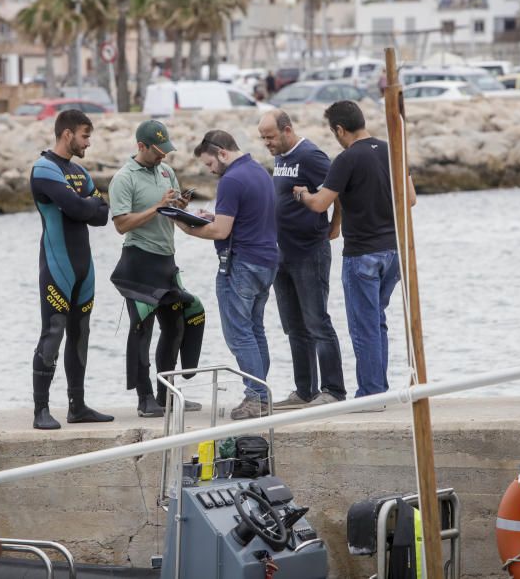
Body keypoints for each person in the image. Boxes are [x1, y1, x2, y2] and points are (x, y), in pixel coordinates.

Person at [294, 100, 416, 401]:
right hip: (393, 252)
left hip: (362, 253)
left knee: (364, 328)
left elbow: (321, 203)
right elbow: (410, 199)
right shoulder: (392, 150)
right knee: (377, 322)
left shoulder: (347, 159)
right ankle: (379, 389)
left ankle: (371, 393)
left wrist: (303, 195)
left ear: (339, 129)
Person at [169, 130, 278, 420]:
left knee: (239, 335)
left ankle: (256, 398)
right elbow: (246, 218)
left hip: (240, 264)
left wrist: (183, 224)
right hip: (267, 262)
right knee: (255, 331)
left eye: (209, 164)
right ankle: (262, 394)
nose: (210, 170)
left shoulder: (231, 180)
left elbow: (221, 232)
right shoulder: (260, 172)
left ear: (222, 153)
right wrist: (211, 217)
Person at [108, 120, 206, 418]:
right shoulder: (124, 179)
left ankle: (167, 395)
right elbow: (121, 224)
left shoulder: (166, 172)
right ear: (141, 146)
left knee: (176, 327)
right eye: (157, 151)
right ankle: (144, 398)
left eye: (166, 150)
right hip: (139, 262)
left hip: (166, 262)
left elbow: (173, 215)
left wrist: (183, 208)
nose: (163, 156)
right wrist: (157, 207)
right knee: (142, 331)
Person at [29, 109, 113, 429]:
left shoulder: (78, 172)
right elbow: (81, 207)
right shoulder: (44, 168)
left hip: (84, 268)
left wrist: (83, 205)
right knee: (54, 333)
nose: (88, 143)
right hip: (57, 265)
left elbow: (101, 215)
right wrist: (84, 204)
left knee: (81, 334)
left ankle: (77, 406)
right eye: (85, 135)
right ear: (67, 134)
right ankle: (41, 410)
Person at [257, 110, 347, 409]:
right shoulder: (281, 158)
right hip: (282, 253)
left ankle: (333, 389)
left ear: (287, 130)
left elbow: (338, 192)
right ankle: (304, 390)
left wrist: (334, 228)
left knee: (317, 322)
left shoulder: (310, 155)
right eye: (263, 138)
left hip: (310, 252)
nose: (267, 143)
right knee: (293, 326)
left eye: (270, 137)